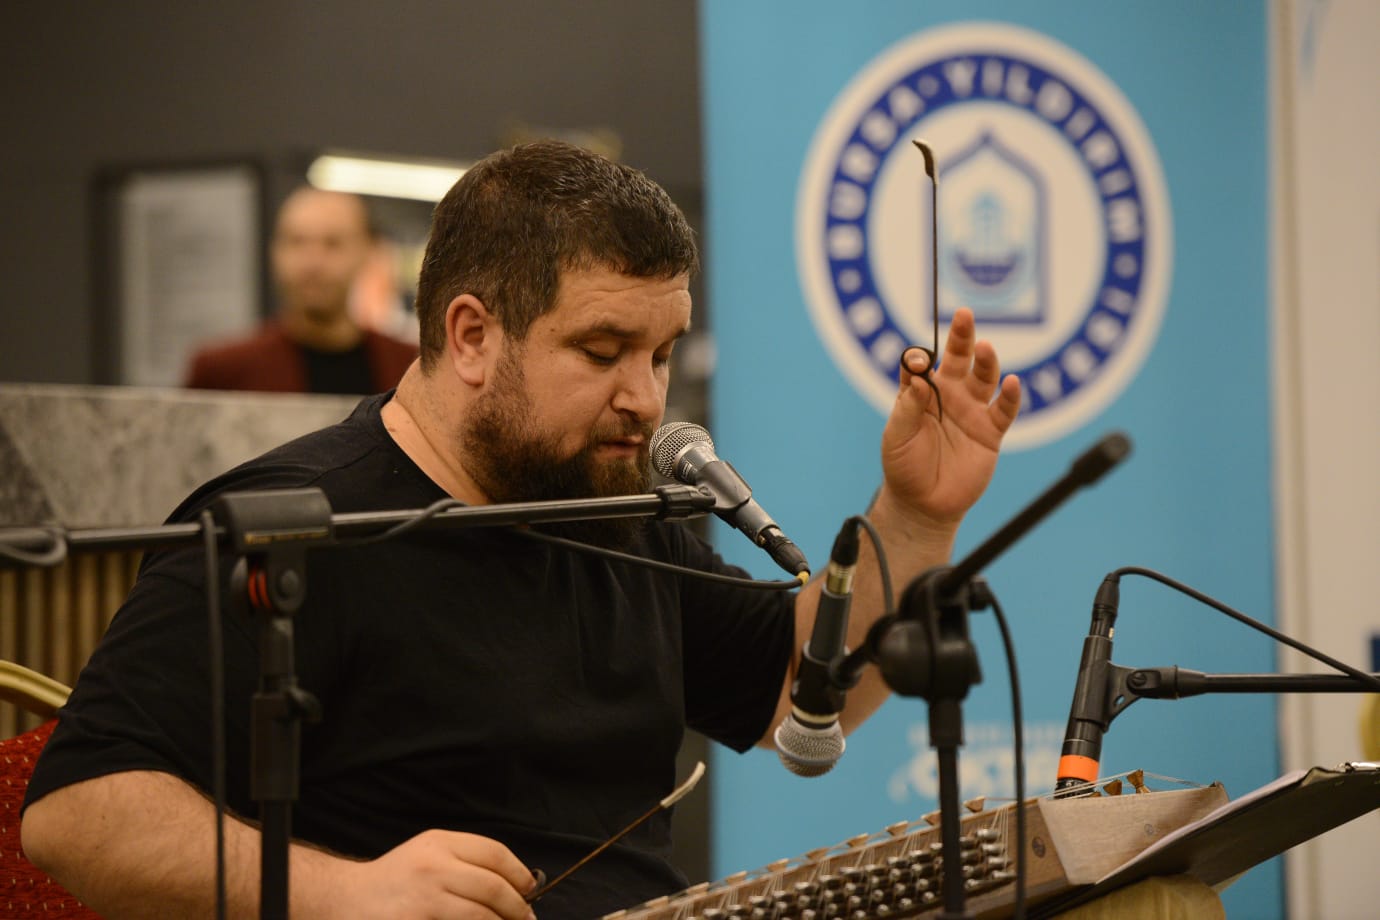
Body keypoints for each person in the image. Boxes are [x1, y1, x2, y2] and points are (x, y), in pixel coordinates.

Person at [21, 141, 1022, 919]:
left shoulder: (612, 502)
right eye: (603, 349)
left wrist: (916, 514)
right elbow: (76, 813)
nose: (646, 398)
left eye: (662, 353)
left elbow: (797, 696)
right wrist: (345, 892)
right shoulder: (295, 527)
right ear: (471, 335)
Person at [184, 187, 418, 395]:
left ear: (367, 252)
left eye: (333, 243)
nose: (312, 263)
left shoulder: (411, 368)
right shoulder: (223, 370)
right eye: (296, 242)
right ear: (275, 252)